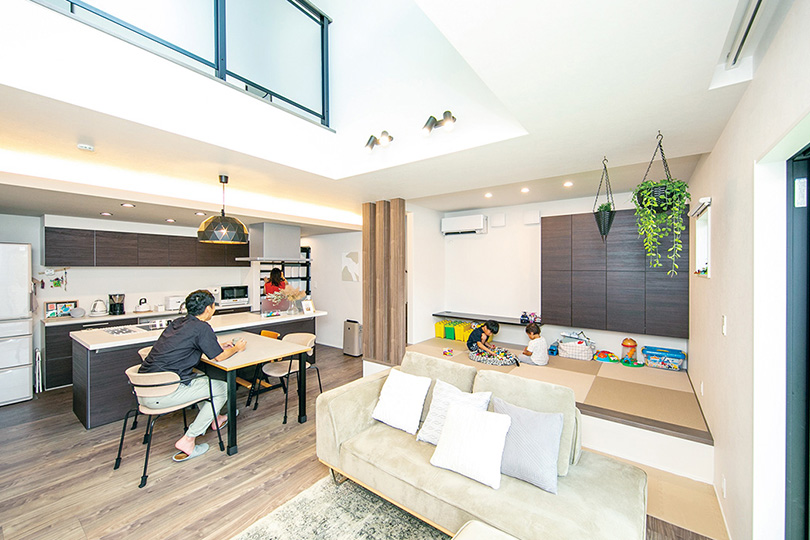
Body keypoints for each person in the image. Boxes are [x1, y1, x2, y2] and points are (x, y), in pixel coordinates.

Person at [139, 289, 246, 462]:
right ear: (208, 309)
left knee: (203, 378)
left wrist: (216, 344)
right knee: (222, 388)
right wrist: (236, 348)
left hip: (144, 389)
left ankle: (216, 418)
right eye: (213, 306)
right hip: (164, 392)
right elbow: (219, 357)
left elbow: (186, 344)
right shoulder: (202, 327)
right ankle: (189, 439)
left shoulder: (178, 323)